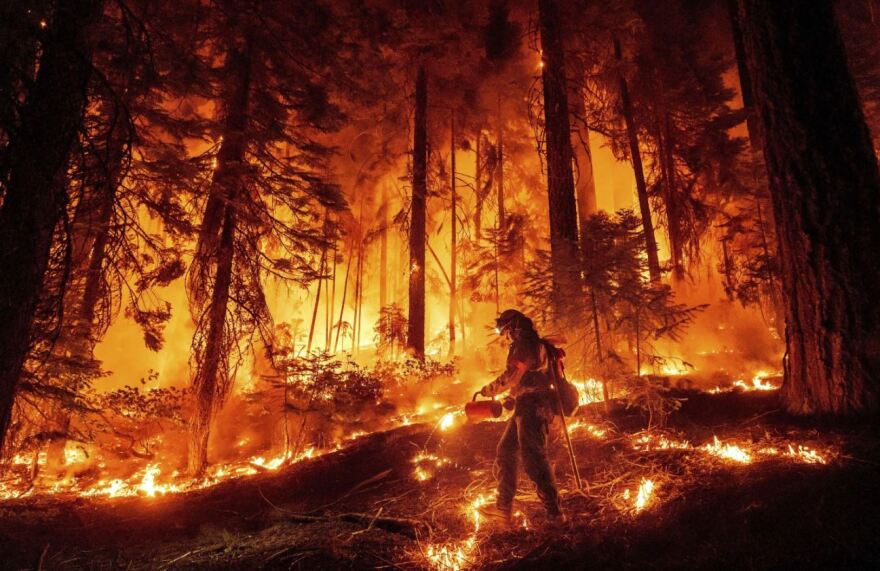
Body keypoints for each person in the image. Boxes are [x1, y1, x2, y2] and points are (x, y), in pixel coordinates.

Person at [477, 309, 565, 526]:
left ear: (513, 327)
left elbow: (512, 375)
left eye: (505, 330)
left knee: (534, 459)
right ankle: (502, 508)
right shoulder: (527, 343)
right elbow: (523, 380)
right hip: (524, 406)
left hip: (534, 408)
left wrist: (490, 389)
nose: (505, 335)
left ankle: (555, 514)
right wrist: (510, 398)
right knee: (506, 452)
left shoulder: (526, 344)